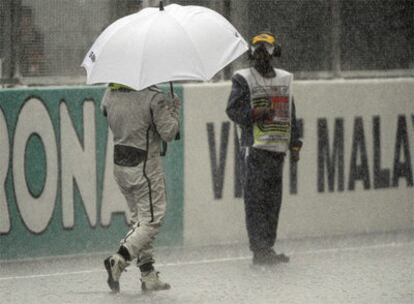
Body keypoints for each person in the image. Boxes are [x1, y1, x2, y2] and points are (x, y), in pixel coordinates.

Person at [226, 32, 302, 266]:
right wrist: (256, 114)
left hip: (277, 149)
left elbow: (291, 113)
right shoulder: (243, 79)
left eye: (266, 49)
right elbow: (232, 111)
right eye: (257, 49)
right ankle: (259, 249)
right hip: (254, 149)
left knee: (272, 201)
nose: (261, 54)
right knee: (256, 201)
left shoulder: (283, 79)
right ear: (251, 52)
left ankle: (267, 247)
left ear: (274, 51)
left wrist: (295, 142)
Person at [101, 83, 180, 292]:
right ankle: (120, 257)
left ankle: (148, 274)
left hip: (121, 165)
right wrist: (172, 111)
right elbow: (169, 133)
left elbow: (104, 111)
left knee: (139, 220)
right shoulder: (154, 97)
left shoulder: (110, 92)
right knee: (152, 220)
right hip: (145, 166)